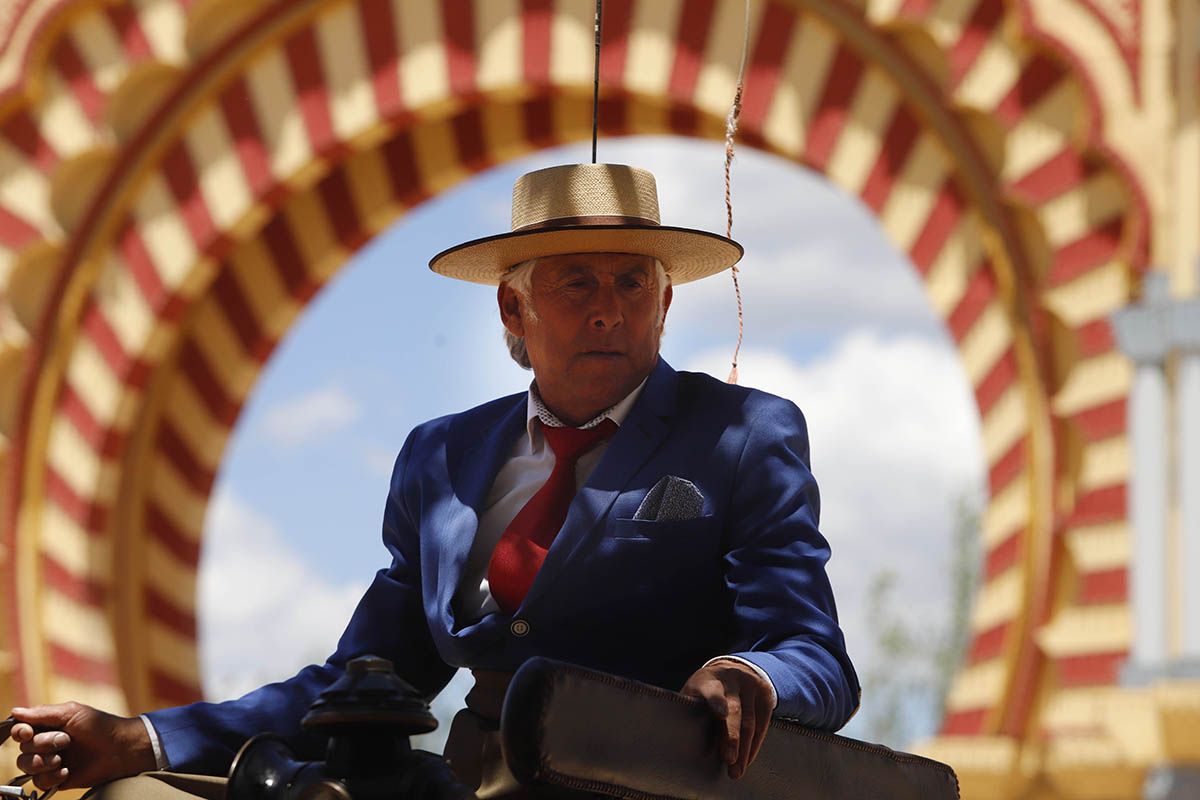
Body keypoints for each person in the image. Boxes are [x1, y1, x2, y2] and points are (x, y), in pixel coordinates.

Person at [6, 163, 859, 798]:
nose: (611, 307)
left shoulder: (741, 435)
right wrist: (141, 740)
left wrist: (752, 677)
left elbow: (815, 656)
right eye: (576, 282)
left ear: (665, 303)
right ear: (512, 309)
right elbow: (362, 686)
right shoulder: (442, 458)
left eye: (633, 280)